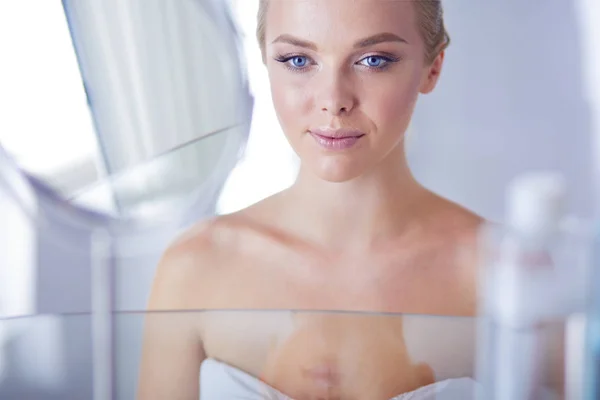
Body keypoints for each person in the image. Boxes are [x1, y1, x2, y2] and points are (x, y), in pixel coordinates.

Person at [137, 1, 483, 399]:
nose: (333, 100)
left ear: (432, 67)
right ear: (266, 61)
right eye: (299, 59)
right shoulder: (195, 266)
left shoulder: (500, 271)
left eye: (373, 60)